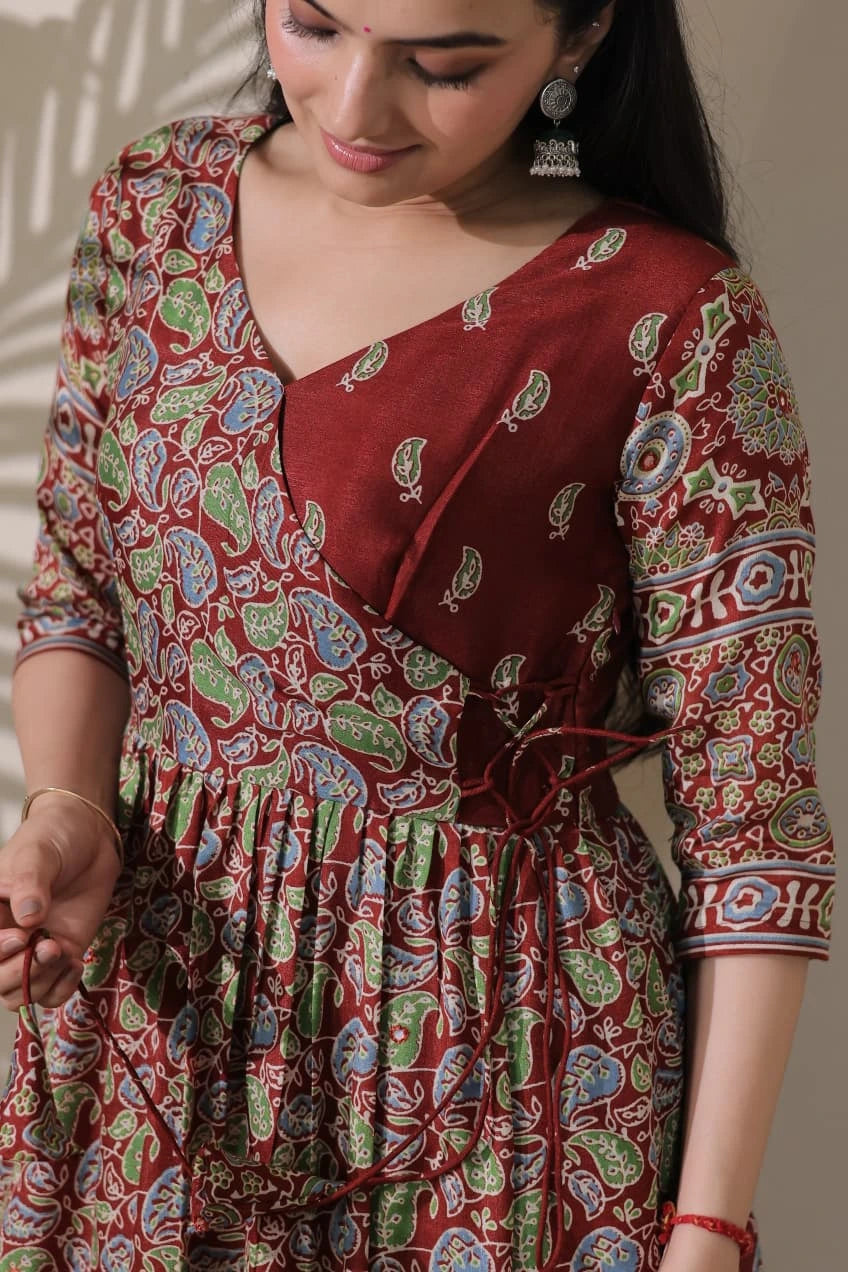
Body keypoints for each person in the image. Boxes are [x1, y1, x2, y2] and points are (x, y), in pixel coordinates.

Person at [0, 0, 835, 1268]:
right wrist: (69, 805)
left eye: (442, 67)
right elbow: (80, 591)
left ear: (577, 35)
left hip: (500, 1060)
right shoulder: (154, 206)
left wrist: (707, 1226)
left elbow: (750, 820)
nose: (351, 108)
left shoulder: (670, 317)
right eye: (313, 27)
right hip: (159, 1033)